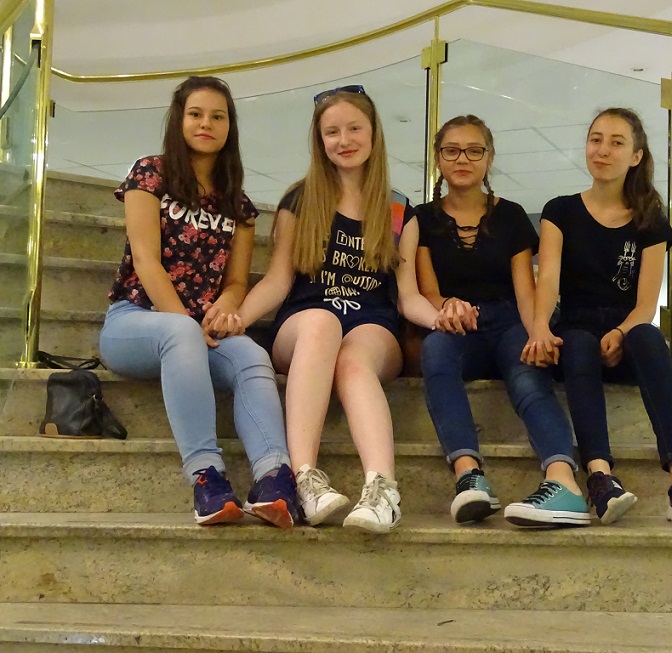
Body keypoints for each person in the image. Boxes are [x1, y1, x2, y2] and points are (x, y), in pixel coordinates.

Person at [99, 76, 297, 528]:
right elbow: (146, 260)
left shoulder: (238, 205)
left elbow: (236, 282)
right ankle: (207, 477)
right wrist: (188, 323)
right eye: (196, 114)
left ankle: (274, 477)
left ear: (230, 127)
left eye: (217, 116)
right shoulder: (149, 174)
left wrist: (225, 307)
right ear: (179, 120)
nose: (206, 123)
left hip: (198, 333)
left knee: (251, 355)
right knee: (180, 331)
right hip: (135, 320)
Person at [231, 85, 421, 534]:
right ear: (319, 140)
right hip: (304, 326)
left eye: (354, 128)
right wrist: (238, 318)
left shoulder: (398, 210)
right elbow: (277, 281)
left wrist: (447, 316)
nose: (344, 140)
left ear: (373, 133)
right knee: (323, 323)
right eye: (332, 132)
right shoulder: (300, 200)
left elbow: (408, 298)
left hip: (371, 327)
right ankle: (305, 480)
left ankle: (382, 490)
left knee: (352, 361)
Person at [523, 107, 672, 528]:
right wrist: (539, 328)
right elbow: (548, 279)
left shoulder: (650, 219)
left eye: (616, 142)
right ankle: (600, 477)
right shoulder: (560, 211)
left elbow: (646, 304)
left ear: (635, 156)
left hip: (627, 332)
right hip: (576, 330)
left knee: (648, 336)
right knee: (577, 342)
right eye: (596, 140)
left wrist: (620, 331)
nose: (603, 150)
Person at [413, 115, 590, 527]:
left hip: (508, 319)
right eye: (451, 150)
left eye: (474, 151)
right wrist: (447, 306)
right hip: (457, 326)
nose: (462, 159)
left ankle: (563, 482)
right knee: (435, 350)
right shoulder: (422, 218)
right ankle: (469, 476)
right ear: (438, 158)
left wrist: (538, 332)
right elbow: (429, 291)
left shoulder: (510, 215)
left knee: (528, 373)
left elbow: (525, 290)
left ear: (489, 158)